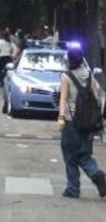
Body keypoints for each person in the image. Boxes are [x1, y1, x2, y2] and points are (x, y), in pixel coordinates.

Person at [57, 46, 106, 198]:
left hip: (71, 121)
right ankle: (97, 175)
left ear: (69, 59)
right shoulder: (90, 75)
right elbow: (98, 98)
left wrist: (60, 117)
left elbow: (64, 98)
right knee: (85, 154)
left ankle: (74, 187)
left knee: (70, 154)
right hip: (88, 123)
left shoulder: (66, 76)